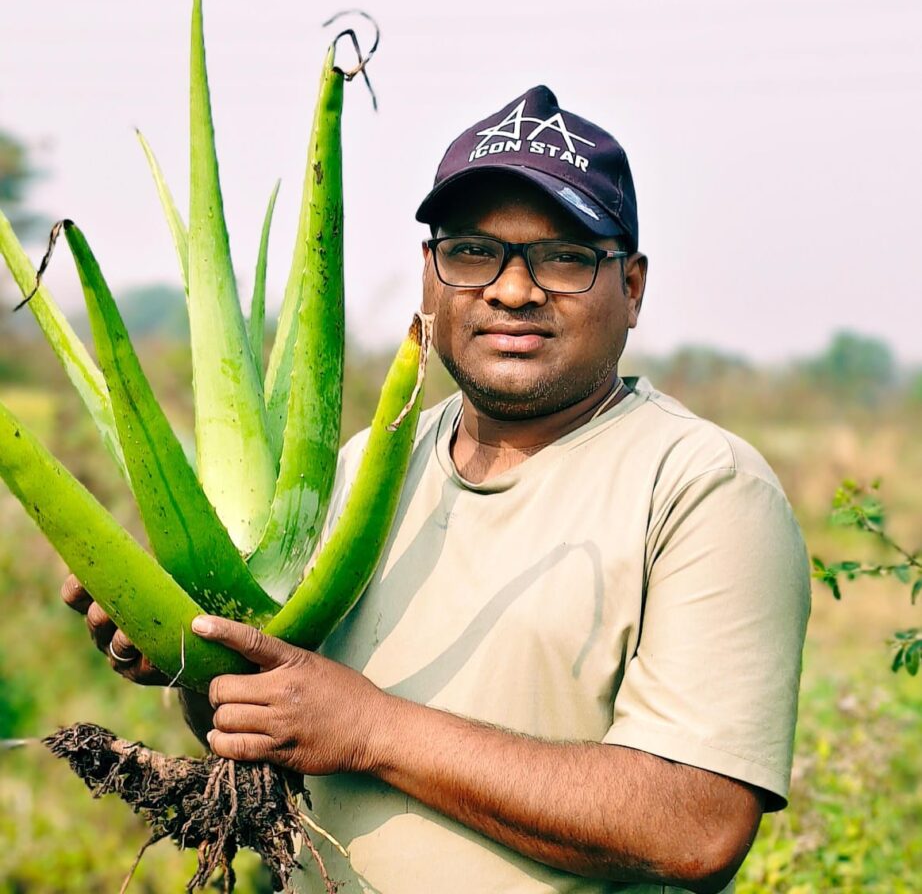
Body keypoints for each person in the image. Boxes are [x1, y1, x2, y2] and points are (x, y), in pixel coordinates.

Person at [64, 85, 811, 894]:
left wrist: (371, 730)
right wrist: (193, 655)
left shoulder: (704, 489)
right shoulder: (362, 473)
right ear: (430, 274)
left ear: (630, 287)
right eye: (473, 251)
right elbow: (274, 719)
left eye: (565, 256)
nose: (515, 290)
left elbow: (696, 825)